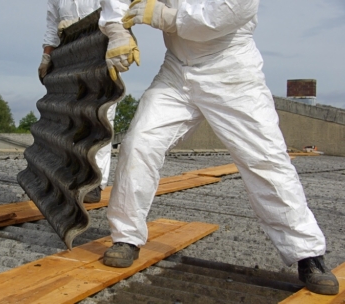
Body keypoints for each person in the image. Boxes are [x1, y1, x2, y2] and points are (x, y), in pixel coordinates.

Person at [98, 0, 339, 295]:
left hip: (231, 71)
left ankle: (307, 254)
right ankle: (126, 237)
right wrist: (117, 31)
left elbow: (214, 20)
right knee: (138, 144)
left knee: (265, 160)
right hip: (176, 70)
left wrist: (160, 15)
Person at [39, 0, 117, 203]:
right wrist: (47, 56)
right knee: (71, 116)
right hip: (70, 53)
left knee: (101, 116)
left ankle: (95, 182)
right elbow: (51, 24)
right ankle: (71, 176)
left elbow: (117, 11)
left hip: (100, 49)